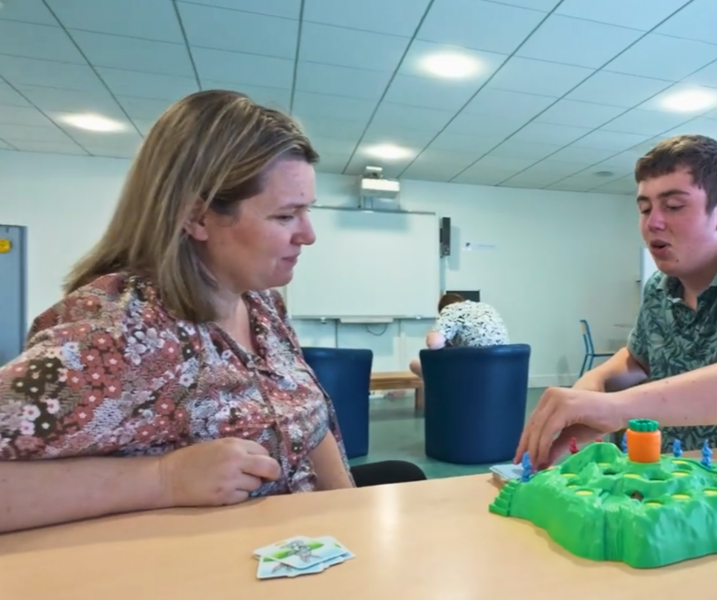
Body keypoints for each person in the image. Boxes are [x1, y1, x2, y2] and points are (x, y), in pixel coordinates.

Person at [0, 90, 425, 535]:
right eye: (285, 216)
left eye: (306, 211)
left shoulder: (261, 304)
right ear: (196, 217)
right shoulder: (118, 332)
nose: (308, 234)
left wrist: (351, 518)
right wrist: (162, 479)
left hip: (298, 548)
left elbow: (309, 425)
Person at [515, 134, 717, 469]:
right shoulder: (660, 287)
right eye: (645, 208)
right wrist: (597, 383)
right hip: (682, 477)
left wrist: (620, 407)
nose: (652, 222)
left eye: (673, 206)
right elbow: (639, 359)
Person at [409, 292, 510, 377]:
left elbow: (434, 343)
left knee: (415, 364)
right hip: (502, 368)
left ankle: (445, 393)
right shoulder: (486, 307)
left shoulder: (450, 309)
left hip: (474, 370)